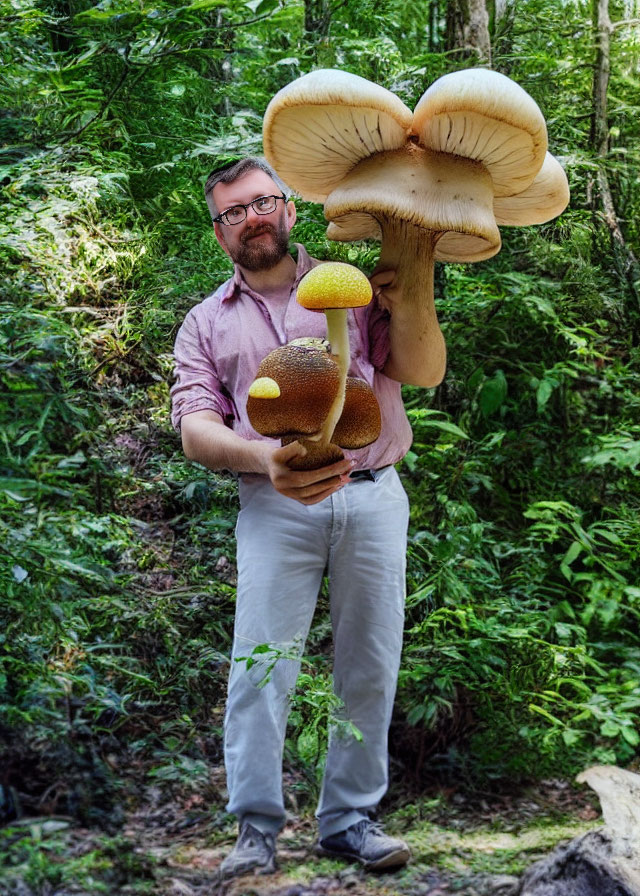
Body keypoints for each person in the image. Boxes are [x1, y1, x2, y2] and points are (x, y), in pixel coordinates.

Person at [170, 157, 446, 878]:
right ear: (219, 232)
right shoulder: (205, 322)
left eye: (263, 202)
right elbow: (196, 428)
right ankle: (255, 830)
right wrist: (265, 462)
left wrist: (413, 294)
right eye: (234, 212)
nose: (252, 218)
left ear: (290, 208)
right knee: (260, 665)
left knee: (370, 662)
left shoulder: (350, 287)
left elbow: (420, 369)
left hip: (373, 491)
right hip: (274, 503)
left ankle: (349, 820)